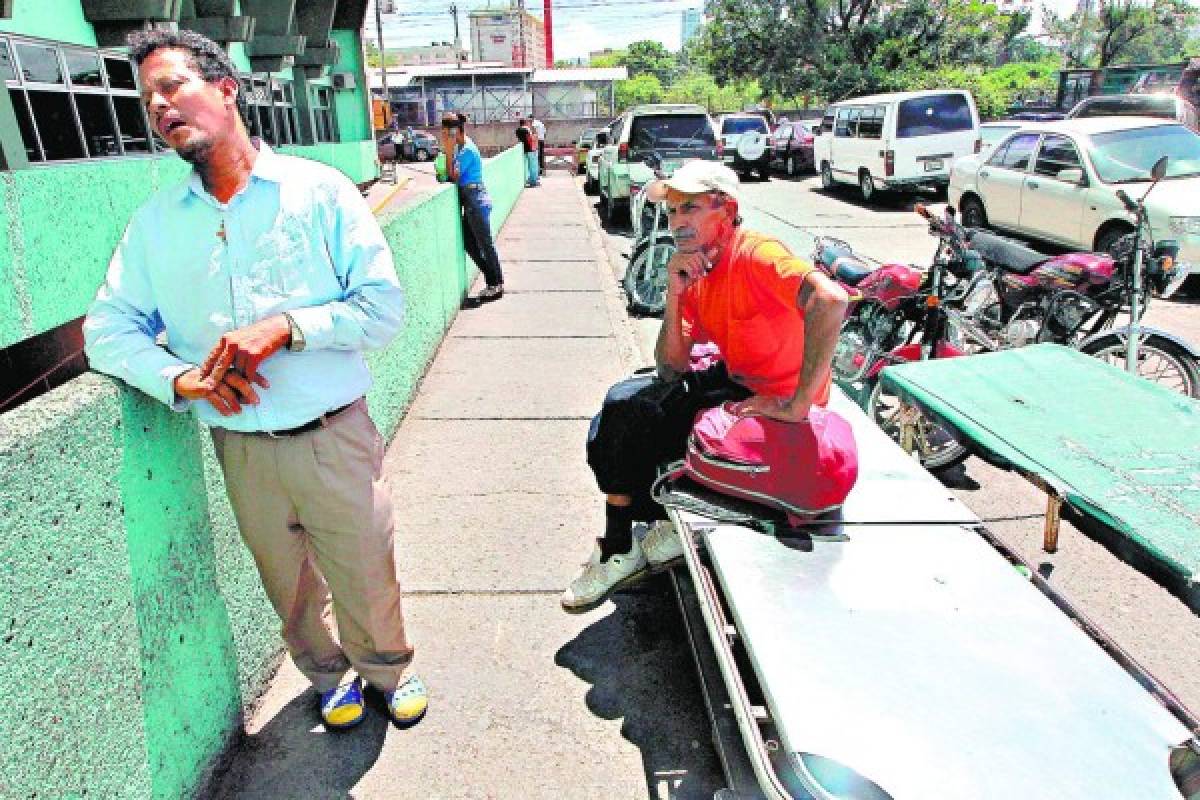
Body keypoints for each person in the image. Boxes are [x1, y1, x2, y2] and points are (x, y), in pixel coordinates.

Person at [82, 29, 428, 731]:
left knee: (365, 564)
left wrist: (289, 327)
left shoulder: (318, 191)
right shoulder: (155, 225)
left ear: (227, 88)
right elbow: (106, 330)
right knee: (289, 583)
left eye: (173, 87)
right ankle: (329, 677)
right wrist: (181, 379)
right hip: (240, 446)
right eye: (148, 100)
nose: (160, 107)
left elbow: (381, 309)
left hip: (334, 433)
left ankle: (388, 669)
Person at [562, 160, 849, 612]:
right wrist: (674, 293)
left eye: (690, 208)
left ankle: (653, 531)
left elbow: (831, 300)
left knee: (652, 422)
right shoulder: (697, 271)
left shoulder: (755, 253)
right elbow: (671, 367)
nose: (678, 222)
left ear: (726, 209)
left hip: (774, 406)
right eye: (673, 211)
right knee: (624, 407)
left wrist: (797, 404)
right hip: (734, 383)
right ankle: (622, 544)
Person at [442, 112, 505, 304]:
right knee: (470, 243)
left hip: (475, 201)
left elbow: (451, 175)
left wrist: (448, 150)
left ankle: (496, 284)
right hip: (471, 201)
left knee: (485, 244)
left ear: (455, 132)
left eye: (446, 134)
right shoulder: (461, 148)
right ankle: (492, 279)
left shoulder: (466, 150)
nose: (443, 137)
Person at [516, 117, 539, 187]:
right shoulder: (527, 129)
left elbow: (520, 140)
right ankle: (533, 182)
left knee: (527, 165)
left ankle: (530, 179)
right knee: (533, 166)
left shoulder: (517, 130)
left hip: (524, 149)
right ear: (525, 123)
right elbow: (530, 139)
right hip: (531, 149)